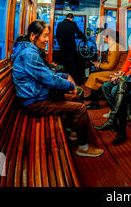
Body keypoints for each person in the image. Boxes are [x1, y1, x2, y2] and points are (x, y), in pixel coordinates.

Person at [12, 20, 103, 157]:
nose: (47, 40)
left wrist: (64, 76)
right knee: (80, 108)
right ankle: (84, 147)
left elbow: (46, 74)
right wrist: (71, 84)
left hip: (38, 96)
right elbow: (50, 79)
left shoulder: (30, 50)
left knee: (75, 96)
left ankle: (75, 131)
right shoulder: (29, 54)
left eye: (48, 36)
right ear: (33, 36)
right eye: (45, 36)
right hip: (34, 103)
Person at [101, 25, 131, 118]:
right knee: (105, 86)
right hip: (128, 75)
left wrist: (124, 75)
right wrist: (122, 72)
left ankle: (118, 115)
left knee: (114, 90)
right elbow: (128, 61)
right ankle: (114, 112)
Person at [84, 29, 122, 110]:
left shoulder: (115, 46)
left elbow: (111, 66)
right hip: (115, 70)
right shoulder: (114, 45)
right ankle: (93, 98)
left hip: (117, 72)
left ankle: (94, 104)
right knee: (95, 72)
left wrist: (98, 65)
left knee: (94, 76)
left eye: (104, 36)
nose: (103, 38)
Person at [56, 13, 87, 85]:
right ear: (72, 18)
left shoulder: (60, 24)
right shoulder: (73, 24)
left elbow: (57, 36)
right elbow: (79, 33)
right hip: (71, 48)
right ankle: (75, 82)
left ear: (66, 17)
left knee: (63, 65)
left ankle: (62, 82)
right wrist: (84, 39)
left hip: (63, 48)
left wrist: (60, 44)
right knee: (73, 65)